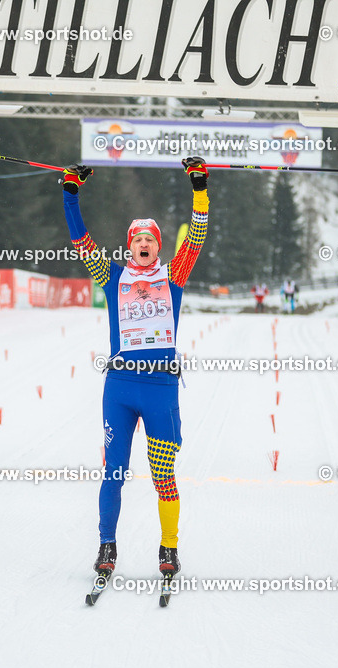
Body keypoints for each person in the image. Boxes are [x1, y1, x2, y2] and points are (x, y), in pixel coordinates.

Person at [62, 156, 209, 580]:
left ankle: (169, 549)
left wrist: (199, 189)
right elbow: (81, 240)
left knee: (163, 476)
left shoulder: (173, 276)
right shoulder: (112, 277)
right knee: (115, 472)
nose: (143, 243)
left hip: (160, 390)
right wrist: (71, 194)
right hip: (121, 389)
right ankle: (107, 547)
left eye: (150, 238)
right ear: (128, 246)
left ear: (157, 246)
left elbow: (196, 238)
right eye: (136, 238)